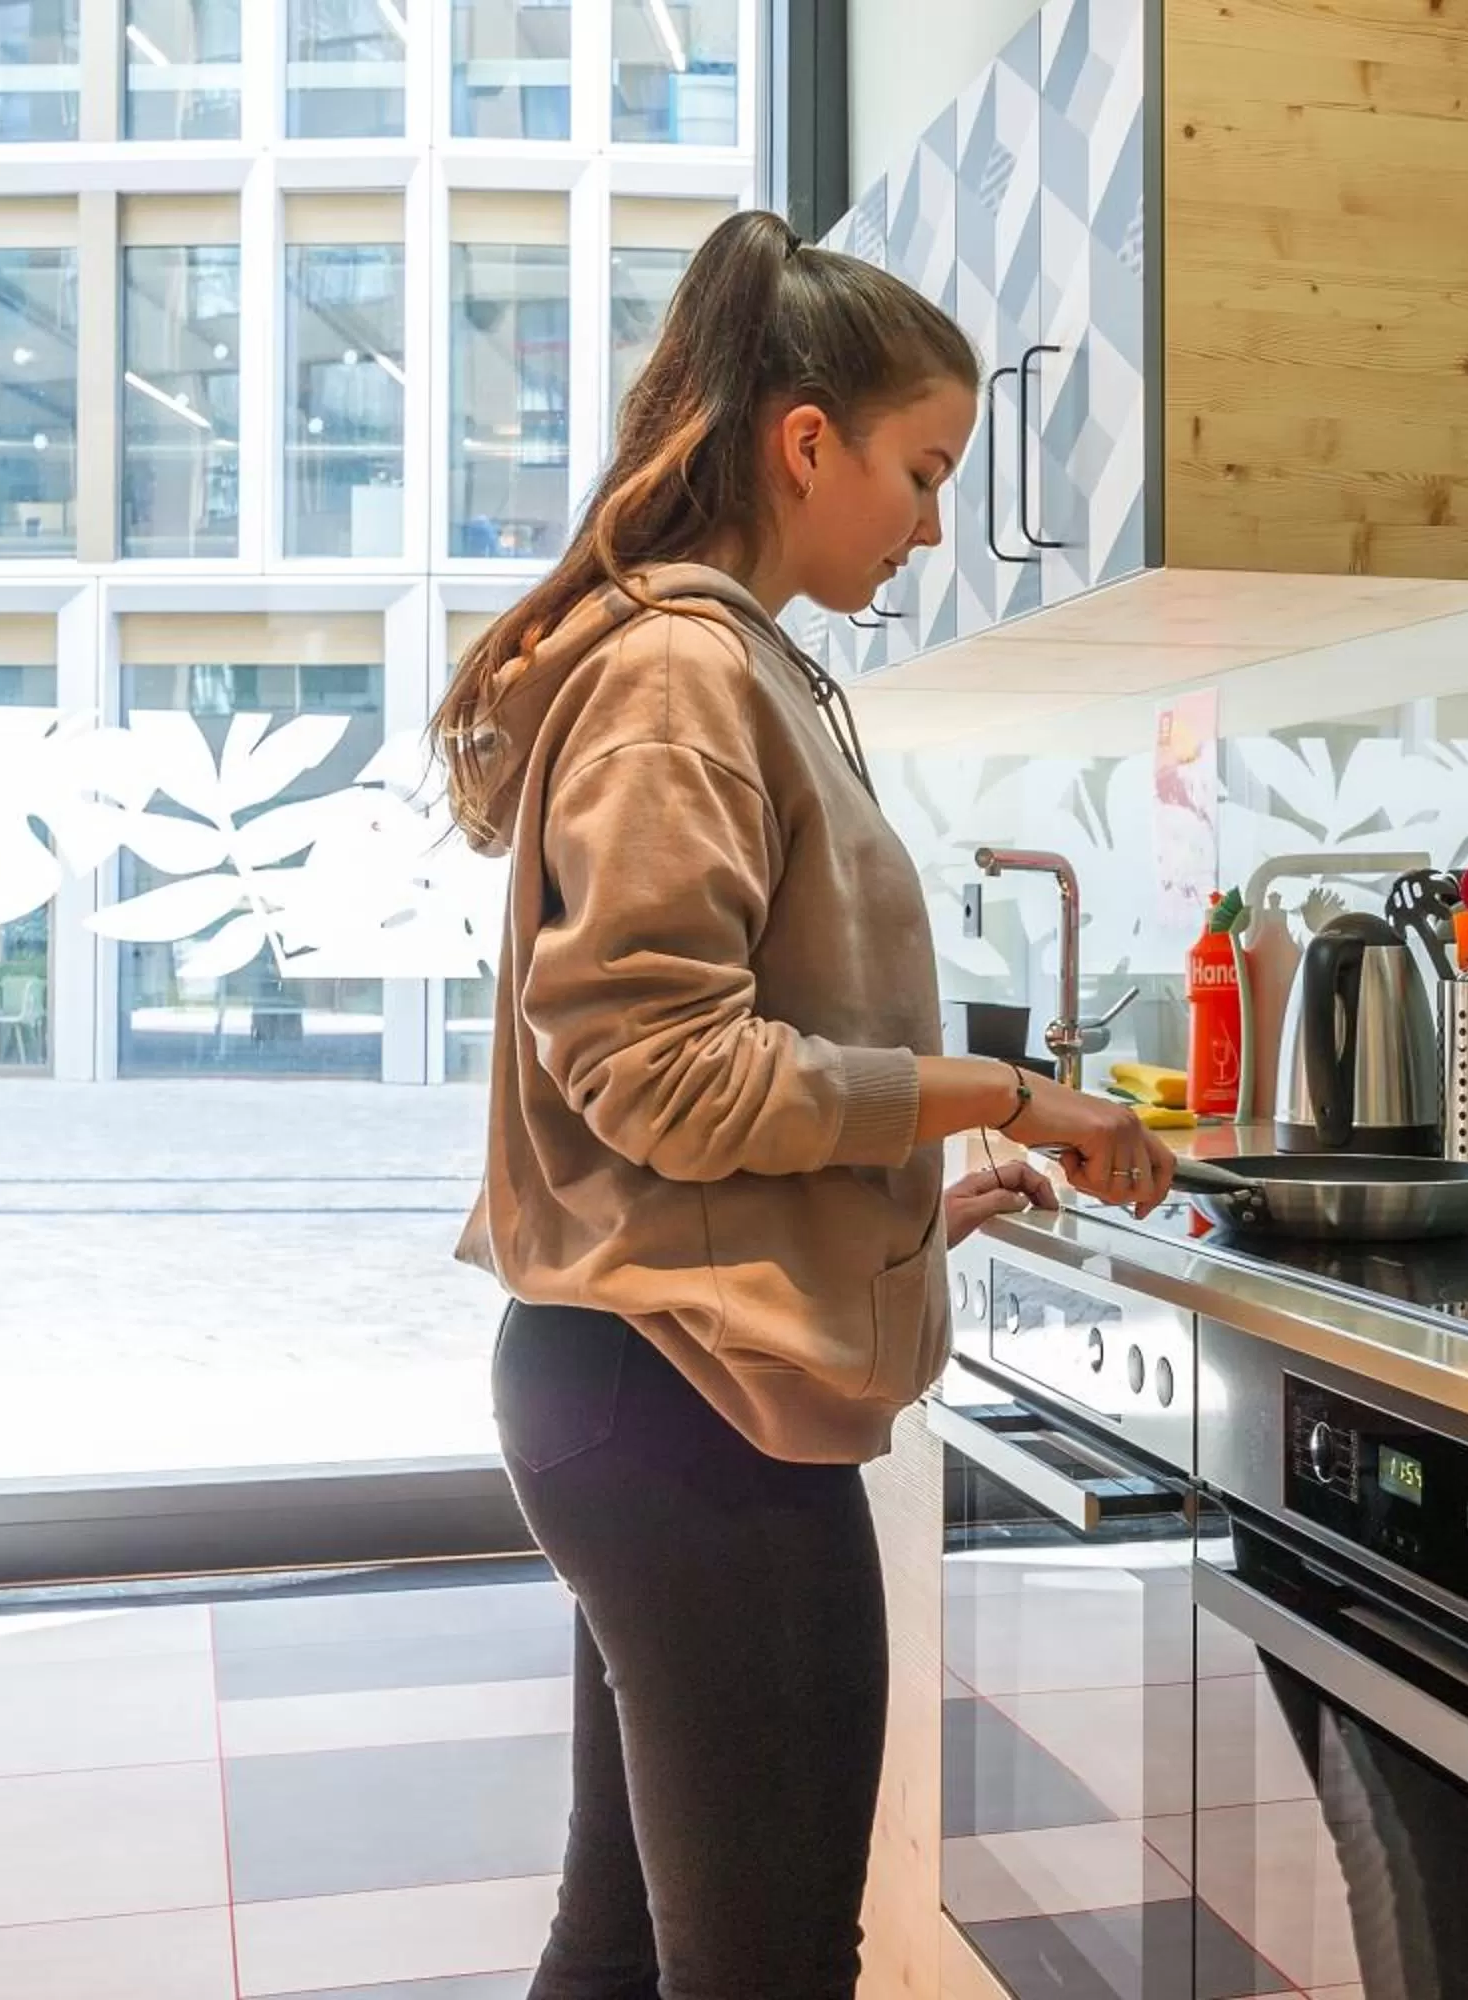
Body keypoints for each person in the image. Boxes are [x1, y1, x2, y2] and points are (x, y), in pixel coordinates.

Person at [436, 207, 1178, 2000]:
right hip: (689, 1409)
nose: (934, 523)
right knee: (758, 1968)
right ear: (803, 442)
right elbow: (659, 1067)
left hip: (650, 1383)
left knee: (623, 1951)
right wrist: (1005, 1092)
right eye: (922, 472)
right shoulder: (685, 674)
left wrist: (922, 1191)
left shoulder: (720, 661)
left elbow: (696, 1092)